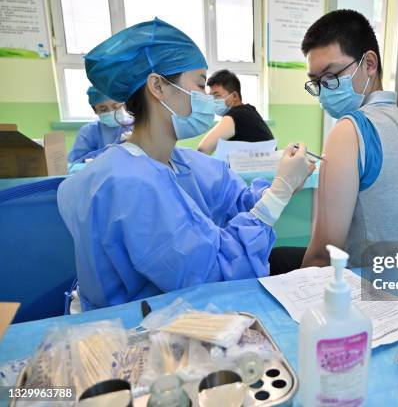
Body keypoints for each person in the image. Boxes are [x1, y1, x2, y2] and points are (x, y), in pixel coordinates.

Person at [57, 18, 313, 311]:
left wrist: (284, 182)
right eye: (201, 84)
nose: (207, 100)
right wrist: (278, 195)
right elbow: (209, 274)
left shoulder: (183, 162)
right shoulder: (129, 183)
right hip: (138, 332)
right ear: (158, 86)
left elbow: (238, 201)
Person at [295, 10, 398, 268]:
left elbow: (323, 255)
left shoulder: (348, 131)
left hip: (370, 294)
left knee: (272, 258)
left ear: (369, 64)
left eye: (331, 76)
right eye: (316, 82)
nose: (324, 91)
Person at [197, 69, 274, 155]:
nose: (212, 100)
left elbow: (202, 149)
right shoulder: (249, 110)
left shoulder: (237, 115)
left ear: (234, 96)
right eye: (210, 96)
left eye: (217, 95)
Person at [67, 86, 133, 163]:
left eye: (115, 107)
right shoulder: (89, 131)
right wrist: (99, 160)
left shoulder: (137, 126)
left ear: (124, 105)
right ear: (95, 111)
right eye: (103, 109)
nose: (111, 112)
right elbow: (77, 162)